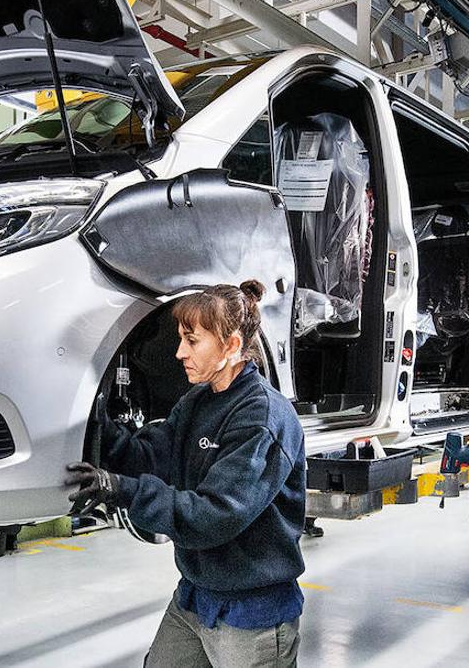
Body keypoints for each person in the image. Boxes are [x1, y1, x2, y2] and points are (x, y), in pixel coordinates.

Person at [65, 280, 306, 667]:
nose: (179, 353)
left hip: (252, 610)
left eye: (192, 341)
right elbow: (151, 455)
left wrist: (123, 490)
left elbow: (215, 514)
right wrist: (95, 427)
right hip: (196, 593)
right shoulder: (198, 401)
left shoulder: (261, 417)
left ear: (230, 346)